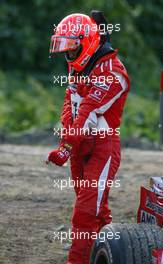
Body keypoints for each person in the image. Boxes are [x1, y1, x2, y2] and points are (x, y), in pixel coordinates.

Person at [47, 11, 130, 264]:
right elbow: (69, 105)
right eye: (66, 50)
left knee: (85, 212)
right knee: (97, 210)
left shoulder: (113, 72)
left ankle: (78, 260)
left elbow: (87, 111)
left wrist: (66, 146)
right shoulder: (80, 67)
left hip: (102, 147)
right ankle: (108, 255)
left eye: (72, 49)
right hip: (80, 147)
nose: (68, 55)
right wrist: (67, 144)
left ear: (87, 43)